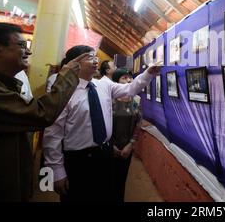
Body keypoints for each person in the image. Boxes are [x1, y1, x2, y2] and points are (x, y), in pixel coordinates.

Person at [0, 22, 87, 201]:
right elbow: (41, 115)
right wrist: (66, 77)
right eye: (21, 45)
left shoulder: (3, 82)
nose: (29, 51)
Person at [42, 45, 161, 202]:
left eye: (95, 56)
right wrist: (56, 170)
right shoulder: (64, 92)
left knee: (106, 195)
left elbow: (130, 89)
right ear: (74, 63)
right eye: (89, 57)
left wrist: (148, 74)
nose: (96, 60)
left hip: (105, 154)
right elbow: (53, 133)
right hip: (78, 160)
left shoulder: (103, 85)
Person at [111, 68, 142, 202]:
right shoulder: (108, 99)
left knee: (121, 180)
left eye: (130, 77)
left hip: (127, 148)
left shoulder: (136, 100)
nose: (129, 80)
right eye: (124, 78)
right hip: (108, 147)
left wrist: (131, 144)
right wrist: (111, 145)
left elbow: (138, 124)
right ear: (116, 82)